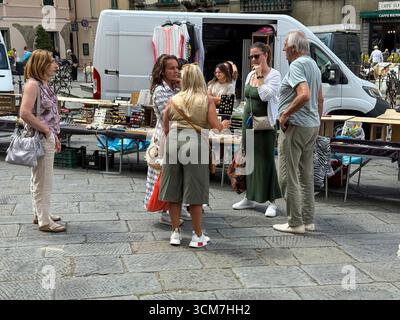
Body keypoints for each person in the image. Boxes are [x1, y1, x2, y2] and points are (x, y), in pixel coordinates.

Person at [160, 63, 230, 248]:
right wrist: (224, 124)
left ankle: (175, 232)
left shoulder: (174, 99)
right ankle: (197, 236)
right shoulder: (206, 100)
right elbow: (215, 125)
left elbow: (165, 125)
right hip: (196, 143)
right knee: (195, 191)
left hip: (174, 142)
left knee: (173, 189)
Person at [273, 30, 323, 234]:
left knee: (287, 176)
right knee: (306, 174)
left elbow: (304, 95)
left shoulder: (297, 65)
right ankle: (308, 220)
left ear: (293, 48)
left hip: (295, 126)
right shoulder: (314, 66)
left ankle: (295, 222)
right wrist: (317, 119)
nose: (283, 48)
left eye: (285, 44)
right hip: (311, 126)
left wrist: (284, 115)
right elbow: (319, 99)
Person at [232, 42, 282, 217]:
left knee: (266, 160)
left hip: (265, 125)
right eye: (251, 57)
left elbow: (265, 95)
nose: (253, 59)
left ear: (266, 55)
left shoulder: (274, 75)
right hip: (249, 123)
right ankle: (249, 196)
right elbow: (247, 97)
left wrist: (260, 77)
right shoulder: (250, 74)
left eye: (256, 56)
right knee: (249, 159)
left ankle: (272, 201)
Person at [19, 49, 65, 233]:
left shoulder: (42, 84)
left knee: (39, 177)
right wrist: (46, 130)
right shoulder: (33, 85)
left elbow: (50, 113)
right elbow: (24, 113)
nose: (56, 66)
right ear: (42, 65)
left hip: (46, 136)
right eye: (52, 62)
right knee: (43, 179)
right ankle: (44, 220)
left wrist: (54, 135)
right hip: (40, 136)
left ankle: (40, 212)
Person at [143, 54, 190, 226]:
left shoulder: (176, 88)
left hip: (179, 136)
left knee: (178, 174)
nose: (176, 71)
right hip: (165, 137)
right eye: (171, 68)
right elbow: (171, 115)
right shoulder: (160, 90)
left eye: (177, 67)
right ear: (162, 71)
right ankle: (165, 211)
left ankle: (178, 206)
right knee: (165, 176)